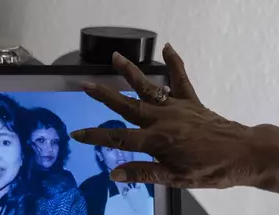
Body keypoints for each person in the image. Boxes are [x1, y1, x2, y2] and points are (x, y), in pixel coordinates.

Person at [70, 43, 279, 193]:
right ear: (98, 155)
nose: (118, 155)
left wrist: (246, 151)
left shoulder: (145, 193)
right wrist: (246, 147)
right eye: (109, 150)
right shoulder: (88, 189)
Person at [79, 120, 154, 215]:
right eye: (110, 149)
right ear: (100, 155)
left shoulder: (152, 181)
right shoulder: (90, 189)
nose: (120, 154)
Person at [25, 107, 78, 190]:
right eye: (41, 140)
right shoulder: (12, 181)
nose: (50, 149)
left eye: (54, 142)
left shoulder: (65, 180)